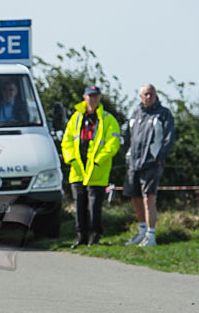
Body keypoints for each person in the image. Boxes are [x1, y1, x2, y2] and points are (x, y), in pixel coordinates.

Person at [61, 86, 121, 248]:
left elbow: (113, 143)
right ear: (84, 97)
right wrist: (70, 159)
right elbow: (66, 141)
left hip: (97, 170)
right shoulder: (75, 118)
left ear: (99, 98)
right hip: (78, 169)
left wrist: (99, 160)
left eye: (95, 96)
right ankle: (81, 236)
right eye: (90, 96)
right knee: (79, 204)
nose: (92, 99)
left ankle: (96, 236)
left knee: (95, 205)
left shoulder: (108, 119)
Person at [123, 84, 175, 247]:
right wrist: (127, 155)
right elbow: (127, 136)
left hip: (151, 163)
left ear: (156, 95)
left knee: (148, 198)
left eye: (151, 94)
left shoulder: (163, 114)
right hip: (134, 163)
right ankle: (142, 231)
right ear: (140, 96)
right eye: (145, 94)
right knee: (135, 197)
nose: (148, 97)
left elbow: (169, 138)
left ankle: (151, 235)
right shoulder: (135, 113)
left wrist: (160, 158)